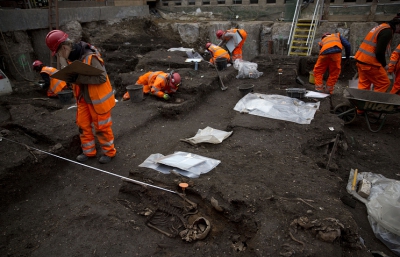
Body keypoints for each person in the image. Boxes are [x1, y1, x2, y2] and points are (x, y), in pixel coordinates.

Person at [45, 30, 116, 164]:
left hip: (97, 100)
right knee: (83, 125)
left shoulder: (91, 56)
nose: (59, 56)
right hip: (83, 98)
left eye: (59, 53)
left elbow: (102, 78)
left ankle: (109, 152)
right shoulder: (73, 57)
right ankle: (89, 152)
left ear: (65, 48)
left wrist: (78, 78)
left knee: (102, 128)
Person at [355, 15, 400, 93]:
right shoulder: (387, 32)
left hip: (361, 60)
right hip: (370, 63)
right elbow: (379, 52)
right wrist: (384, 65)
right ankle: (374, 103)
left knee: (364, 84)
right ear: (398, 25)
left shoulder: (382, 27)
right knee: (384, 83)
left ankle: (361, 103)